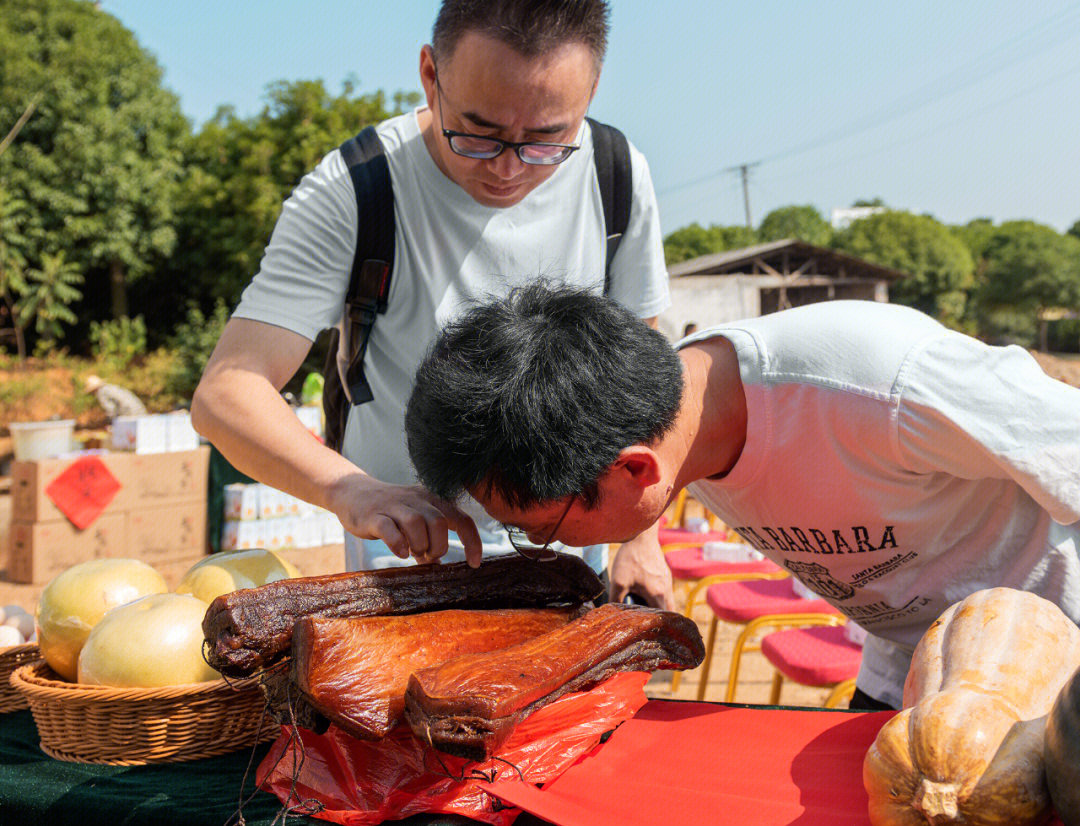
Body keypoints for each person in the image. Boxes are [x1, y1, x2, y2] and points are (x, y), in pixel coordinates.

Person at [190, 0, 671, 601]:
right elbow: (226, 393)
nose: (507, 168)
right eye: (479, 133)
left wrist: (642, 536)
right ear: (430, 75)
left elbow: (641, 390)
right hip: (404, 570)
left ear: (592, 90)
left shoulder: (616, 174)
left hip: (571, 558)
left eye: (547, 140)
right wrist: (353, 491)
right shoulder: (356, 188)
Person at [404, 284, 1080, 710]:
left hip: (1055, 658)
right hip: (916, 665)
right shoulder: (664, 408)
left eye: (539, 530)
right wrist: (641, 541)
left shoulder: (880, 386)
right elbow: (629, 476)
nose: (542, 545)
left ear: (636, 472)